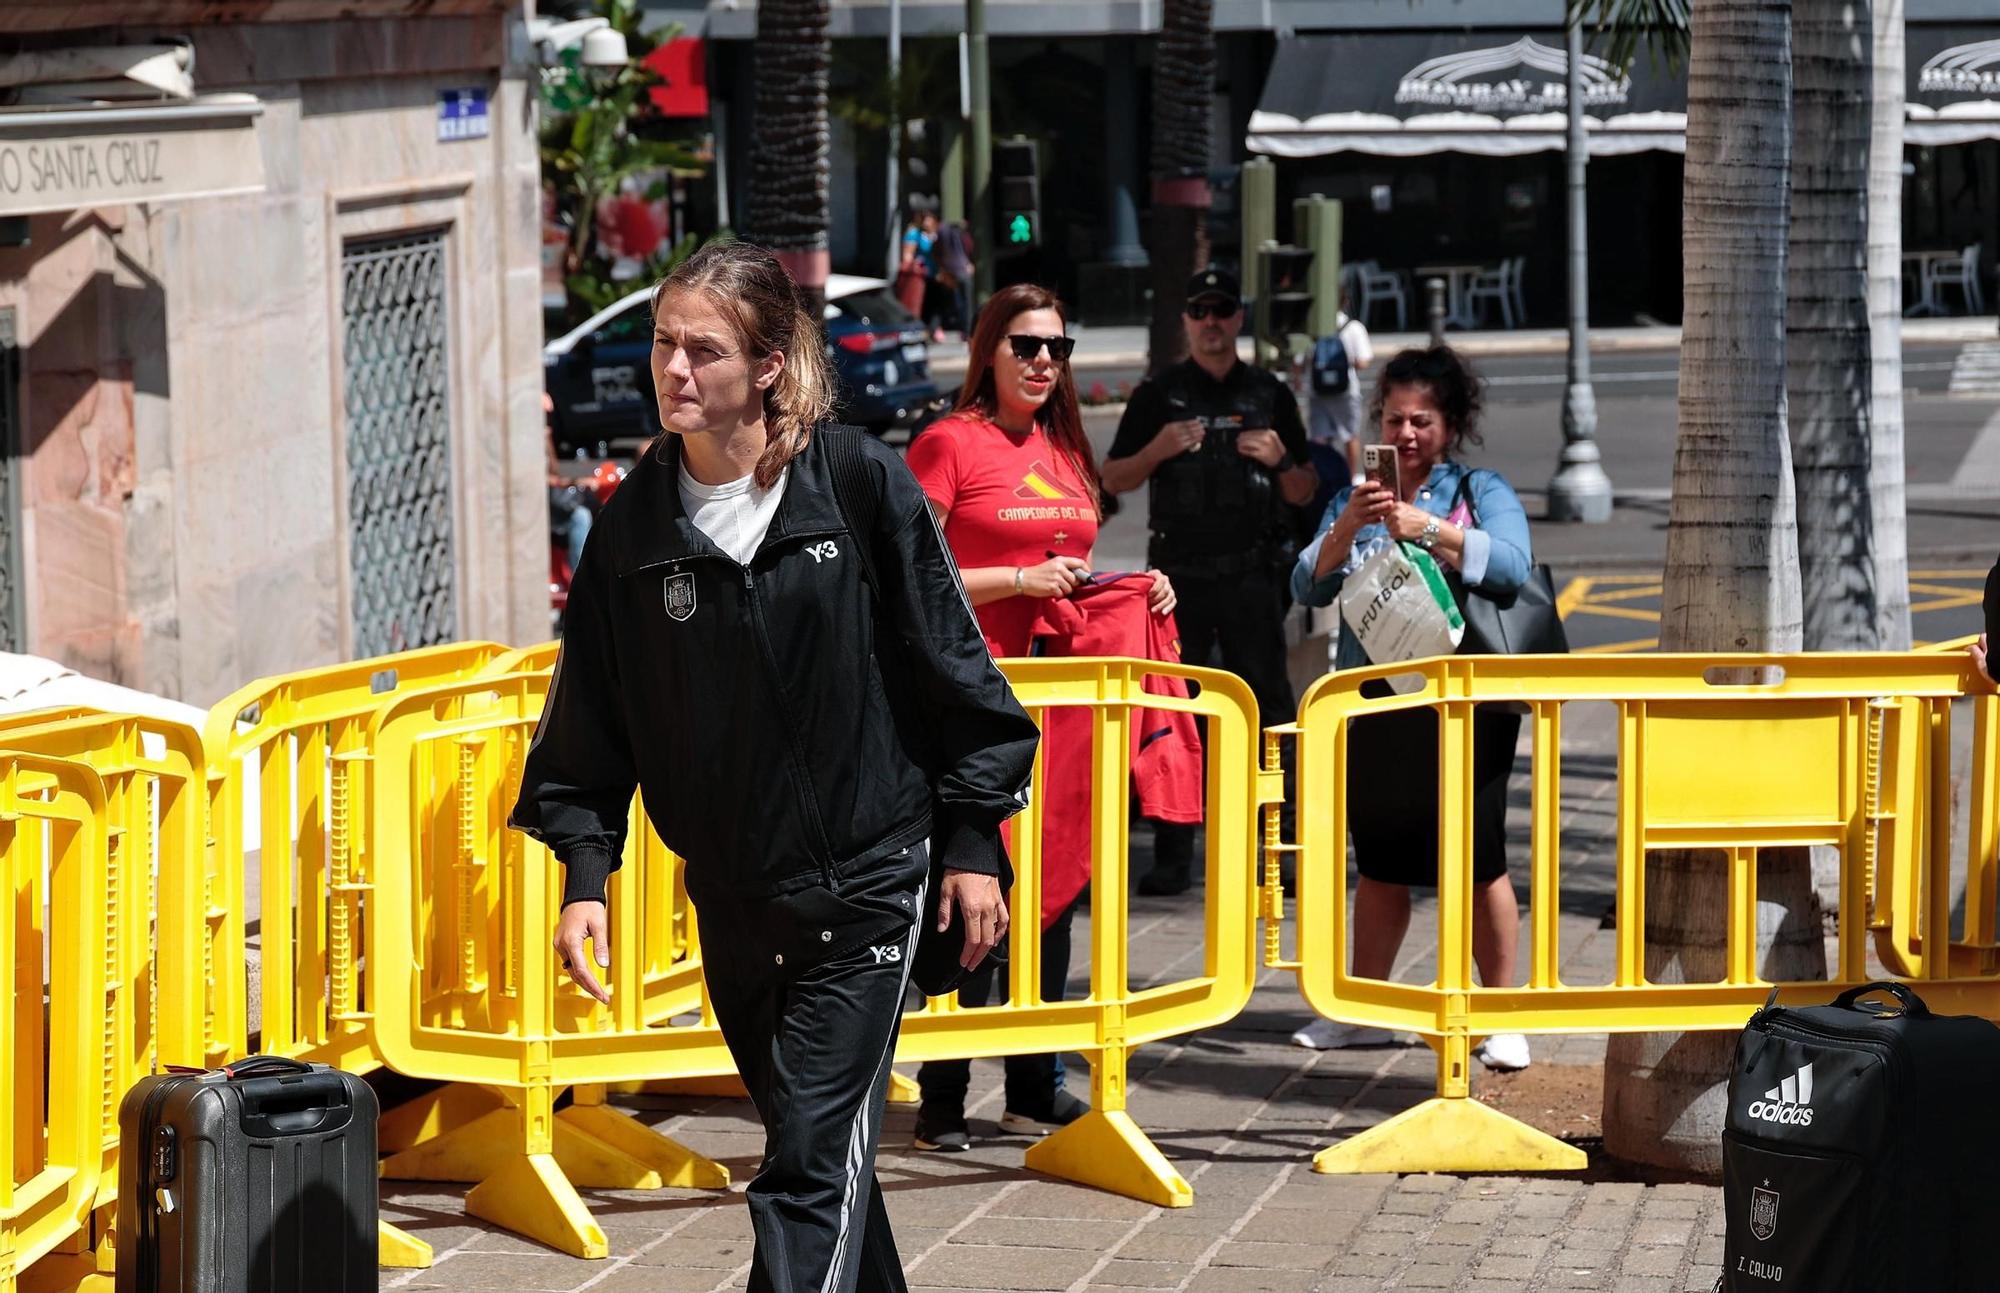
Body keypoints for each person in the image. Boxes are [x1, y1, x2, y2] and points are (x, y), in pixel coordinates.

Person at [513, 240, 1040, 1293]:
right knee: (830, 1164)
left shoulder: (853, 482)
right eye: (663, 343)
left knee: (801, 1173)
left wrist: (973, 839)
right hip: (738, 908)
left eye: (700, 350)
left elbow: (953, 664)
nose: (671, 369)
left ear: (765, 366)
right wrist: (585, 877)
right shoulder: (632, 527)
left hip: (871, 884)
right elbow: (589, 725)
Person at [903, 283, 1178, 1152]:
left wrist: (1136, 588)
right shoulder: (949, 443)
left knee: (1054, 894)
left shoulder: (1065, 448)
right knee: (967, 889)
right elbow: (906, 575)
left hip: (1057, 709)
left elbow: (1071, 568)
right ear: (989, 348)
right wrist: (1016, 584)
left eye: (1057, 346)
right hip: (963, 705)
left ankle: (1033, 1085)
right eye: (1025, 344)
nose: (1042, 361)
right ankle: (944, 1094)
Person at [1285, 345, 1533, 1073]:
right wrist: (1347, 527)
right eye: (1395, 419)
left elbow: (1512, 566)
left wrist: (1424, 528)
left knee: (1480, 856)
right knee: (1384, 857)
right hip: (1377, 702)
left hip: (1468, 703)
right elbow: (1307, 584)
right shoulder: (1357, 496)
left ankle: (1500, 1016)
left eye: (1422, 419)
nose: (1408, 433)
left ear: (1450, 423)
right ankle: (1362, 1009)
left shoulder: (1478, 487)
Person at [1100, 268, 1318, 895]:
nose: (1212, 321)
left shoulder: (1269, 393)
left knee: (1269, 712)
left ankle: (1279, 846)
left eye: (1223, 309)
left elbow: (1306, 491)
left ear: (1238, 318)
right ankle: (1173, 855)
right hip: (1178, 582)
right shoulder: (1160, 394)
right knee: (1175, 713)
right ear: (1188, 321)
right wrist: (1158, 450)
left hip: (1252, 575)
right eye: (1201, 310)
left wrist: (1281, 462)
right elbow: (1112, 480)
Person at [1307, 292, 1374, 487]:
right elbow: (1363, 361)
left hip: (1316, 390)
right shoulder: (1353, 327)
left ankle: (1320, 477)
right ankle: (1351, 478)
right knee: (1350, 435)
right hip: (1346, 390)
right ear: (1345, 302)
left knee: (1318, 437)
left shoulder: (1312, 328)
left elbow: (1300, 361)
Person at [933, 217, 976, 338]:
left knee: (947, 300)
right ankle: (967, 331)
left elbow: (937, 251)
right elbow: (970, 248)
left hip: (949, 271)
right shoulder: (962, 234)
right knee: (967, 301)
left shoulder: (941, 232)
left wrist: (943, 267)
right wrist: (970, 263)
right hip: (963, 269)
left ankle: (944, 328)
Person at [897, 208, 938, 323]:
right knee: (920, 301)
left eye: (929, 220)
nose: (926, 223)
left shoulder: (936, 234)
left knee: (935, 301)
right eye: (924, 220)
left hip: (935, 273)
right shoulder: (914, 233)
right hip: (921, 274)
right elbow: (908, 255)